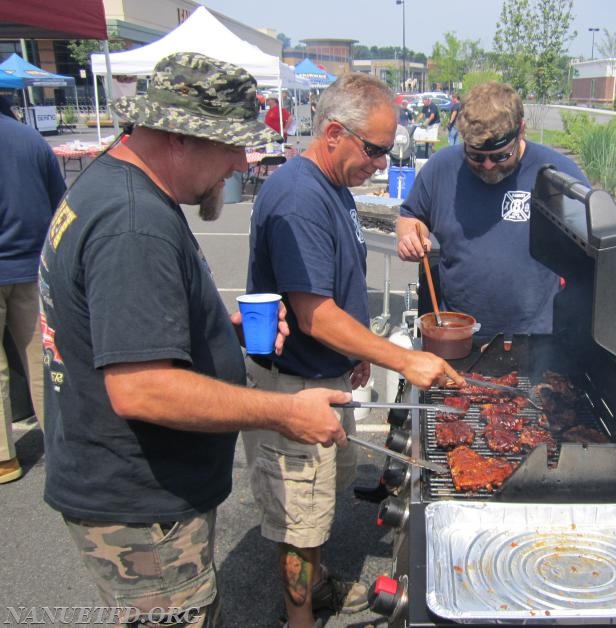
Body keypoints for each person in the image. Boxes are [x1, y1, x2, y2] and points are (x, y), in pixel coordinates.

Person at [38, 52, 351, 627]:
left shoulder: (114, 183)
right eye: (231, 143)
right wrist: (283, 412)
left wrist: (213, 330)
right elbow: (143, 391)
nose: (240, 160)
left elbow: (121, 323)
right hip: (139, 505)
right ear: (181, 137)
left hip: (129, 489)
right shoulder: (134, 223)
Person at [243, 73, 463, 628]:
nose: (384, 165)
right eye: (376, 150)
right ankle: (300, 619)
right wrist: (404, 358)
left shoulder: (333, 185)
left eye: (389, 152)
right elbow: (315, 313)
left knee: (320, 504)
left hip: (325, 378)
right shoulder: (298, 198)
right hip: (292, 389)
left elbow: (336, 290)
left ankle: (316, 588)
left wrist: (355, 351)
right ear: (335, 132)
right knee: (300, 519)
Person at [396, 82, 590, 344]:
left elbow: (591, 251)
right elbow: (411, 215)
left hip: (533, 340)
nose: (487, 165)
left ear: (521, 130)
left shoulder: (558, 174)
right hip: (456, 335)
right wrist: (409, 235)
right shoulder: (441, 168)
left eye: (500, 156)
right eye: (476, 156)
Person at [0, 95, 65, 484]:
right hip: (31, 263)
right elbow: (62, 202)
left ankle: (4, 458)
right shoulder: (32, 140)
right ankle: (59, 443)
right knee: (44, 360)